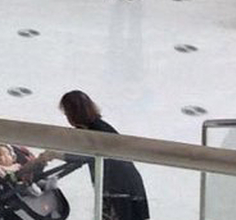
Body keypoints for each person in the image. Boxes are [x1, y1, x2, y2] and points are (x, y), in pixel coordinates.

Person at [20, 91, 150, 220]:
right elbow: (74, 151)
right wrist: (43, 159)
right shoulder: (92, 128)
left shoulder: (96, 131)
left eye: (66, 113)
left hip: (119, 187)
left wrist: (52, 155)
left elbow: (84, 155)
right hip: (125, 185)